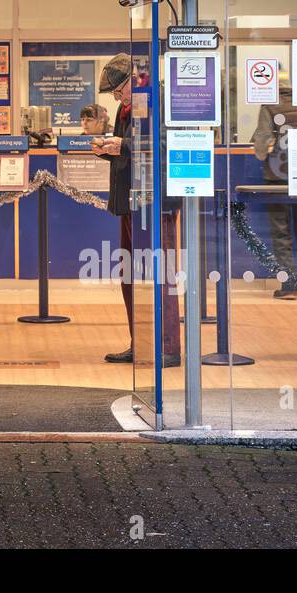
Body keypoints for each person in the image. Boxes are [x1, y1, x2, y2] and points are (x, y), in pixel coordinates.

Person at [93, 53, 180, 366]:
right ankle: (141, 341)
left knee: (157, 276)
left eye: (118, 91)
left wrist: (122, 145)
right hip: (131, 200)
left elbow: (164, 147)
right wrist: (109, 149)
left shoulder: (159, 101)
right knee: (131, 275)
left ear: (133, 79)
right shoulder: (126, 108)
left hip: (153, 203)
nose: (117, 98)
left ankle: (165, 346)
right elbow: (131, 150)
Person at [251, 76, 297, 299]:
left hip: (277, 177)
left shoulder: (269, 105)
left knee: (281, 233)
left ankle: (289, 286)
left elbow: (261, 145)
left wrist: (263, 148)